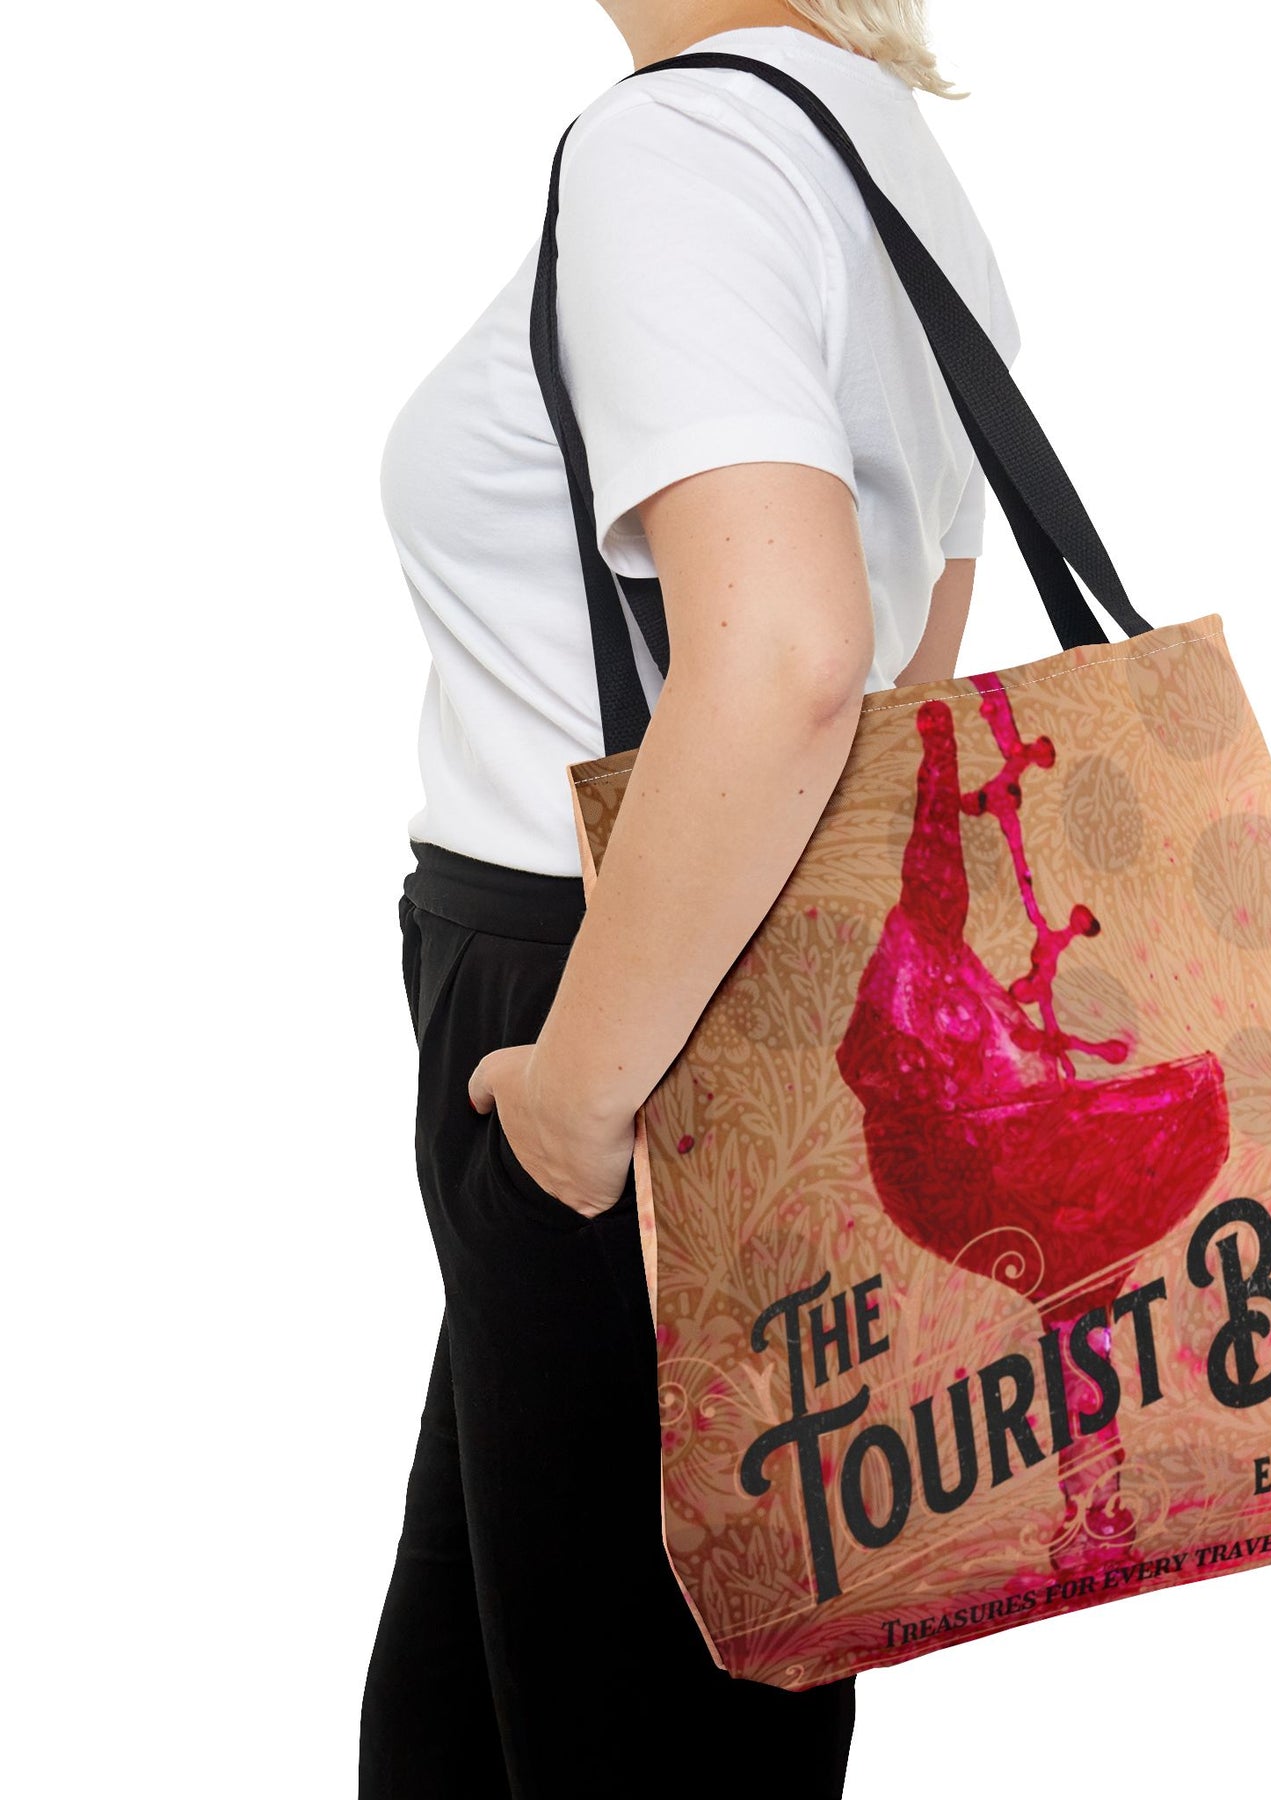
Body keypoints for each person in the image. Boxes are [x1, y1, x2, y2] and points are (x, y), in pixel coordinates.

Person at [360, 3, 1018, 1794]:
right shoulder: (872, 140)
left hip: (606, 1015)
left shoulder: (679, 149)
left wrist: (577, 1105)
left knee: (617, 1733)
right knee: (511, 1715)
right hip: (735, 983)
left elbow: (797, 657)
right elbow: (909, 670)